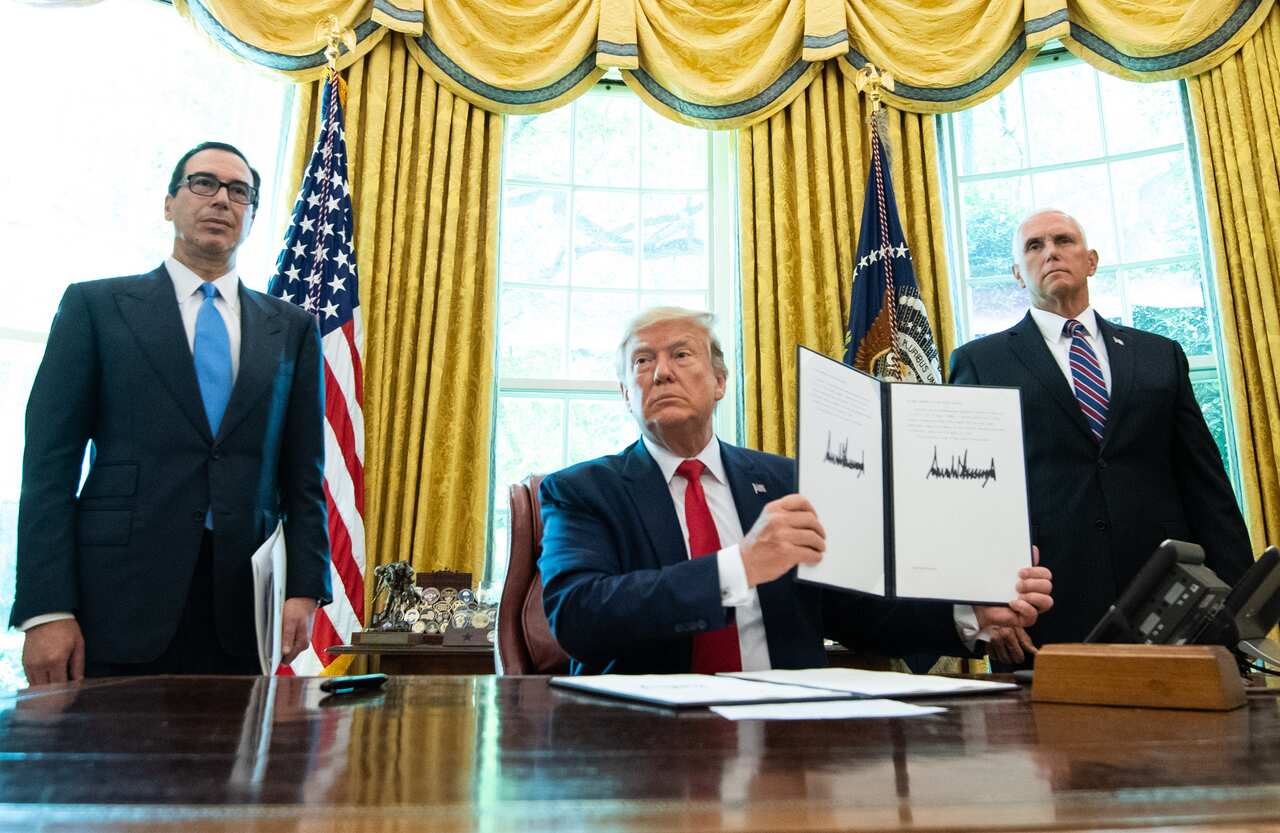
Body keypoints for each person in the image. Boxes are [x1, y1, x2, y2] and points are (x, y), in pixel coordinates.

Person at [538, 307, 1053, 675]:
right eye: (643, 362)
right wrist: (741, 566)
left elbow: (857, 612)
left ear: (720, 381)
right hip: (644, 742)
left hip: (791, 735)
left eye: (680, 354)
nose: (663, 371)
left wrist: (971, 614)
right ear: (627, 393)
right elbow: (577, 616)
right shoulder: (582, 490)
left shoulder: (788, 482)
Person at [14, 141, 332, 683]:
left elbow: (304, 476)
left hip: (242, 608)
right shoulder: (95, 308)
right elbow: (50, 468)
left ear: (252, 215)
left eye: (239, 192)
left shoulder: (292, 328)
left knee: (232, 767)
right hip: (116, 600)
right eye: (203, 184)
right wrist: (46, 610)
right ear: (169, 204)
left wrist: (304, 587)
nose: (221, 201)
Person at [948, 209, 1252, 666]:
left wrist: (1238, 603)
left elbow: (1205, 484)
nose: (1050, 252)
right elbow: (966, 496)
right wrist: (985, 599)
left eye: (1063, 240)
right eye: (1034, 246)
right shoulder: (980, 363)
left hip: (1170, 602)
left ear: (1091, 260)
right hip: (1044, 609)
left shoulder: (1159, 356)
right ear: (1017, 273)